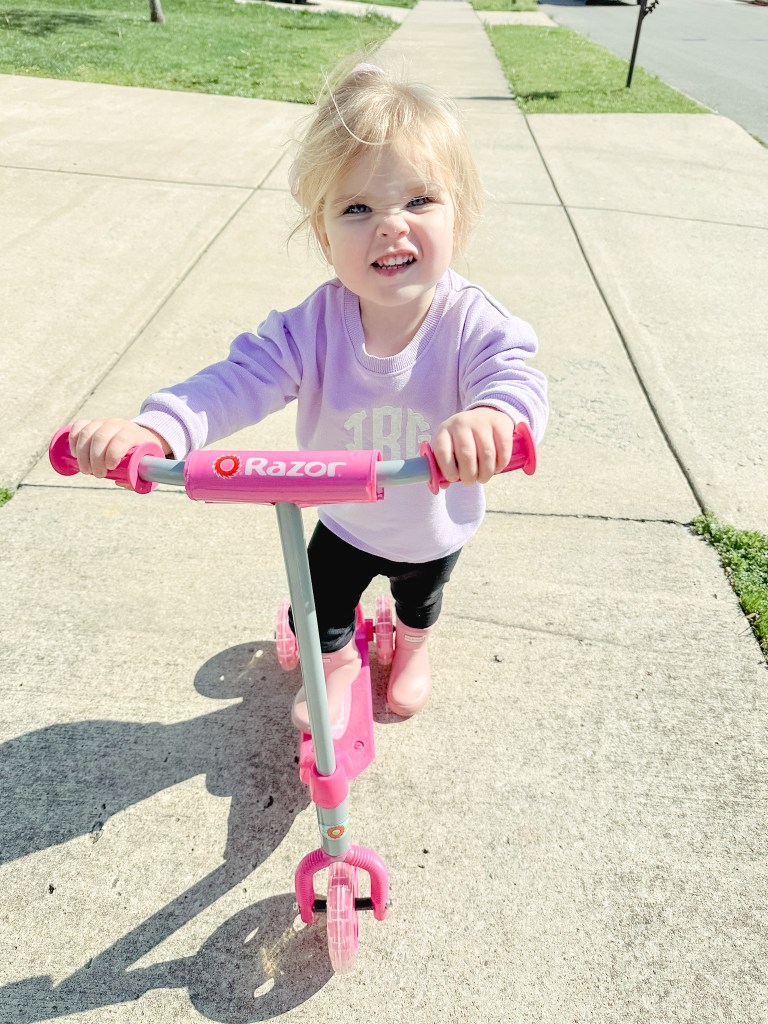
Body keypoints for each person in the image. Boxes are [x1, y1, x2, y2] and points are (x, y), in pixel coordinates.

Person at [67, 61, 548, 733]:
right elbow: (237, 379)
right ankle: (339, 663)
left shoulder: (472, 323)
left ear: (458, 216)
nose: (391, 226)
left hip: (432, 523)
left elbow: (515, 376)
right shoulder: (311, 328)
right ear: (324, 236)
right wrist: (159, 430)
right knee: (317, 606)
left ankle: (413, 645)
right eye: (357, 208)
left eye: (418, 201)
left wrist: (496, 417)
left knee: (421, 600)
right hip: (344, 519)